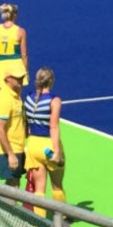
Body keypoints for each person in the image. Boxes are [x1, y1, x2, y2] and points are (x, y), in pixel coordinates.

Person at [23, 67, 66, 217]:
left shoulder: (28, 98)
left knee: (39, 190)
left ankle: (39, 221)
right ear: (51, 81)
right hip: (48, 145)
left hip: (33, 145)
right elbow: (53, 126)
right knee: (57, 186)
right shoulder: (54, 100)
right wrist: (57, 151)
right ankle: (61, 218)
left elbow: (26, 122)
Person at [0, 69, 27, 188]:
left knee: (14, 183)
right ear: (7, 79)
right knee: (13, 185)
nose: (20, 80)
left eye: (21, 77)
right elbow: (0, 129)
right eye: (17, 78)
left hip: (17, 146)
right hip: (9, 148)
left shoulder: (15, 95)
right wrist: (10, 154)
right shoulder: (5, 98)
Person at [0, 3, 29, 92]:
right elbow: (24, 54)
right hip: (16, 65)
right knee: (15, 94)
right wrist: (26, 71)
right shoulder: (20, 31)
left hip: (2, 65)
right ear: (14, 15)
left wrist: (2, 57)